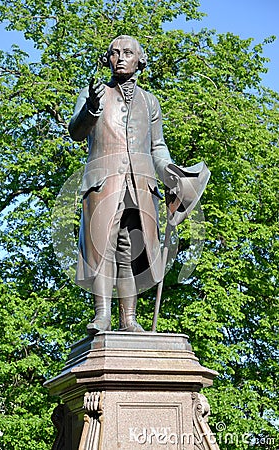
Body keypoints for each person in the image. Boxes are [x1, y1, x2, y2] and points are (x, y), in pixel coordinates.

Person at [69, 35, 205, 335]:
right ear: (108, 59)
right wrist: (90, 109)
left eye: (127, 53)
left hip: (141, 185)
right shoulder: (94, 93)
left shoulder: (149, 101)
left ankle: (129, 319)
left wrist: (171, 173)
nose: (120, 58)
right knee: (101, 248)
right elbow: (75, 132)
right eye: (114, 53)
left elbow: (157, 146)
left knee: (131, 251)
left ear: (139, 60)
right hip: (103, 183)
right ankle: (102, 314)